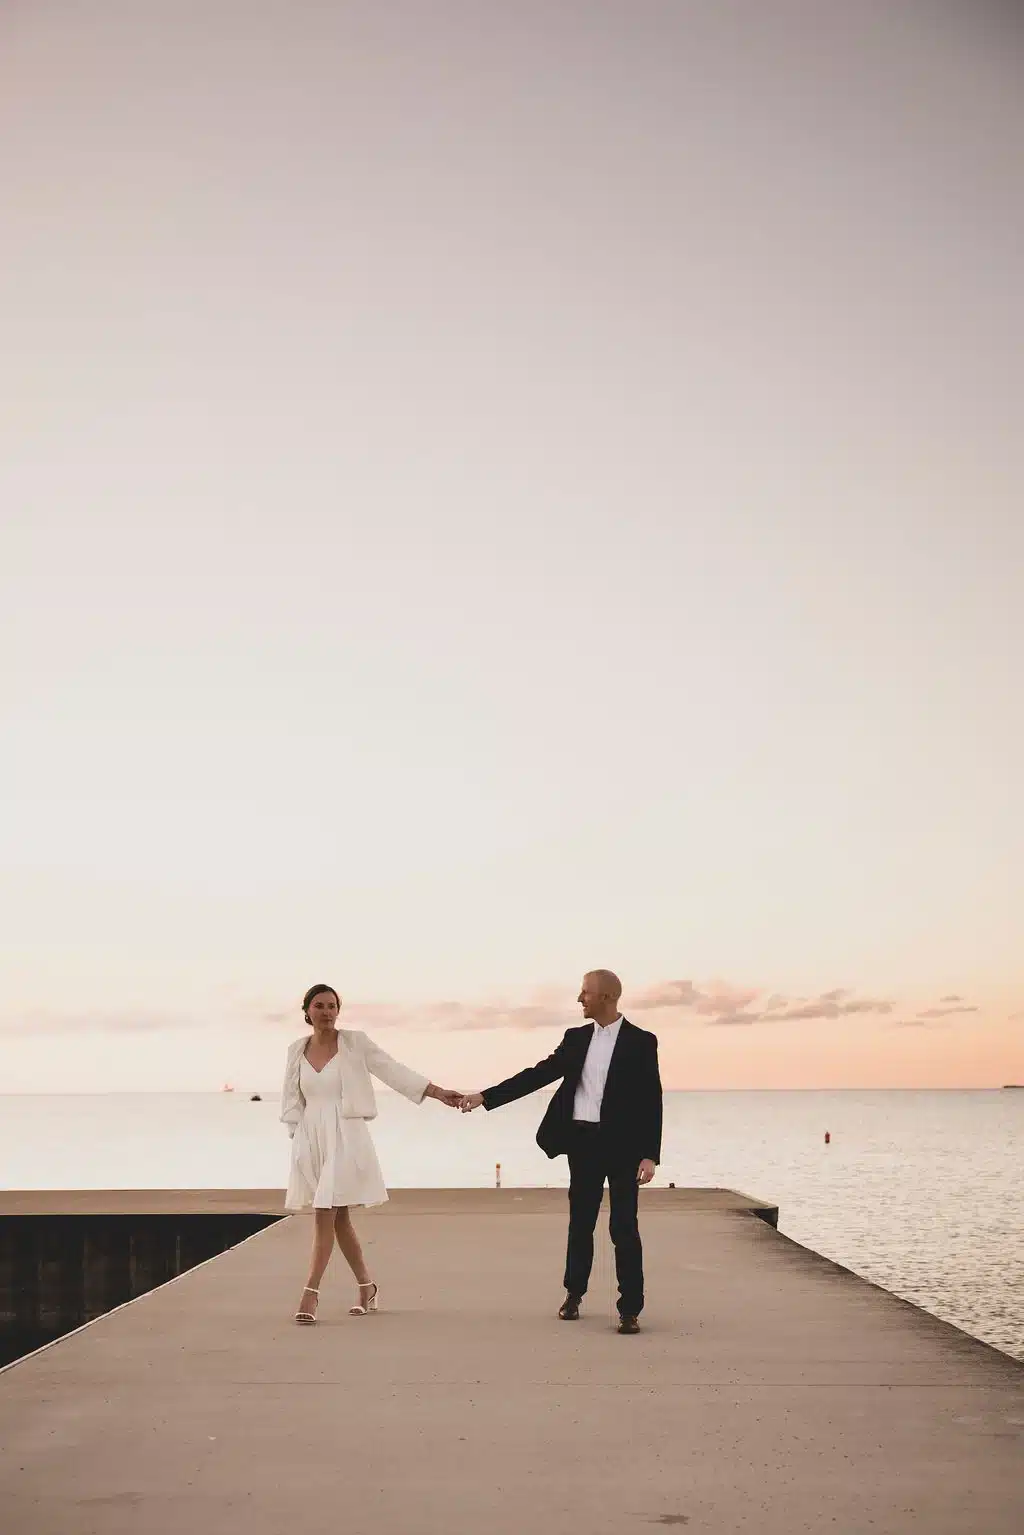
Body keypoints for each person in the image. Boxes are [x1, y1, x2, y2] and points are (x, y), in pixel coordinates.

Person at [460, 970, 661, 1333]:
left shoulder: (642, 1041)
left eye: (586, 993)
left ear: (607, 997)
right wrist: (485, 1097)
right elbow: (539, 1074)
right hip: (582, 1143)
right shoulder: (576, 1037)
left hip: (624, 1149)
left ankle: (629, 1309)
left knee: (623, 1227)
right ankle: (574, 1293)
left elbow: (652, 1099)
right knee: (580, 1223)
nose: (579, 999)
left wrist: (650, 1155)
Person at [281, 982, 462, 1324]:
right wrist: (297, 1139)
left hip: (347, 1136)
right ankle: (367, 1287)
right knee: (340, 1218)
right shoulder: (295, 1049)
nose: (327, 1012)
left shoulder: (355, 1043)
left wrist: (436, 1092)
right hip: (313, 1137)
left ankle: (310, 1294)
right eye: (319, 1006)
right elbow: (292, 1098)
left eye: (332, 1006)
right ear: (307, 1012)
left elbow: (392, 1070)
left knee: (325, 1213)